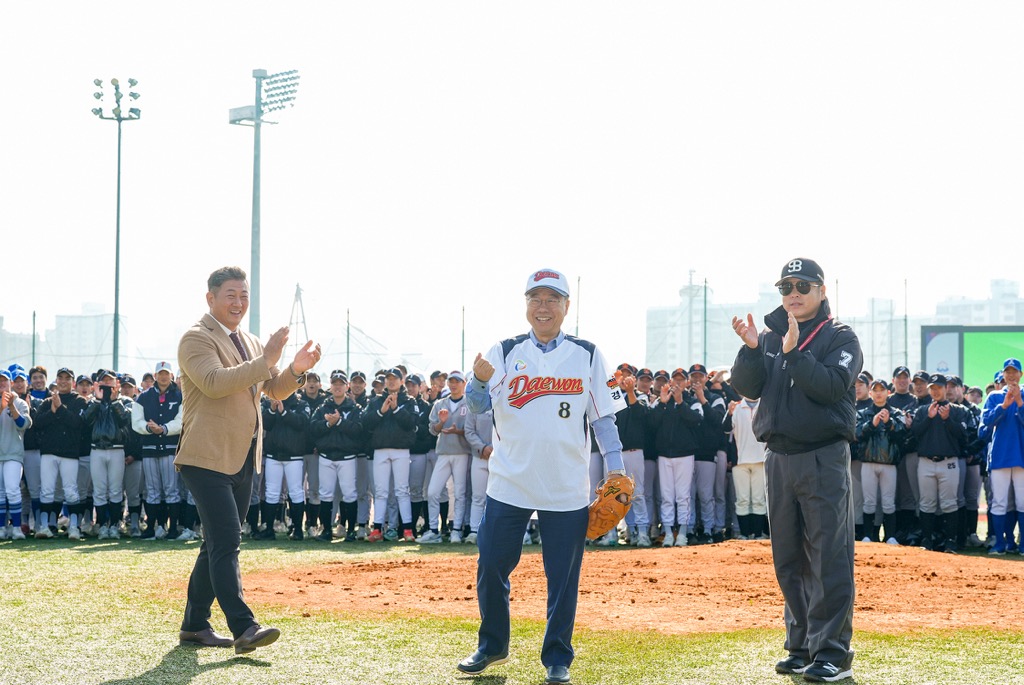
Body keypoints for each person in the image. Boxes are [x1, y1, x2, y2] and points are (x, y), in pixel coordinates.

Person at [458, 268, 626, 685]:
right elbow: (477, 407)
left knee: (563, 578)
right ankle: (492, 644)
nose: (544, 306)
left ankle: (557, 656)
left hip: (566, 486)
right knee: (492, 565)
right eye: (536, 298)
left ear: (568, 306)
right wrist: (478, 380)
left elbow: (603, 417)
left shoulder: (586, 353)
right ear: (526, 305)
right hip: (509, 481)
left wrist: (617, 467)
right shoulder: (504, 350)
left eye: (553, 298)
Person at [174, 266, 320, 653]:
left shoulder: (252, 341)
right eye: (230, 295)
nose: (238, 302)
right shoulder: (194, 338)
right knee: (227, 542)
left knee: (215, 544)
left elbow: (272, 388)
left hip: (242, 455)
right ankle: (244, 626)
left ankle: (194, 625)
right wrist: (269, 356)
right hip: (204, 455)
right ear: (211, 298)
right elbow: (215, 382)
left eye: (244, 295)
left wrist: (294, 369)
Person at [731, 257, 862, 682]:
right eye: (786, 286)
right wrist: (752, 350)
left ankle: (832, 653)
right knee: (788, 557)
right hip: (779, 457)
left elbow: (829, 387)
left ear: (822, 292)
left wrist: (792, 352)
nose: (793, 293)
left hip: (822, 455)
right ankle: (802, 644)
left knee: (828, 555)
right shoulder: (769, 335)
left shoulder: (841, 337)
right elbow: (748, 387)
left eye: (803, 286)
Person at [981, 358, 1024, 555]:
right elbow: (987, 423)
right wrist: (1004, 405)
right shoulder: (994, 397)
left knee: (1023, 502)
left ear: (1021, 374)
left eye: (1015, 371)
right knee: (998, 501)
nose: (1011, 375)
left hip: (1021, 456)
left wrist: (1019, 403)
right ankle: (1000, 543)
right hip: (999, 456)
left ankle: (1022, 544)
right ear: (1003, 374)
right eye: (1008, 372)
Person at [0, 369, 31, 539]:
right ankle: (2, 528)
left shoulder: (20, 403)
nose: (1, 384)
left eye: (4, 381)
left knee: (12, 490)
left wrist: (11, 405)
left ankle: (17, 528)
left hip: (13, 453)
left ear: (11, 384)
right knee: (0, 492)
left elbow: (23, 424)